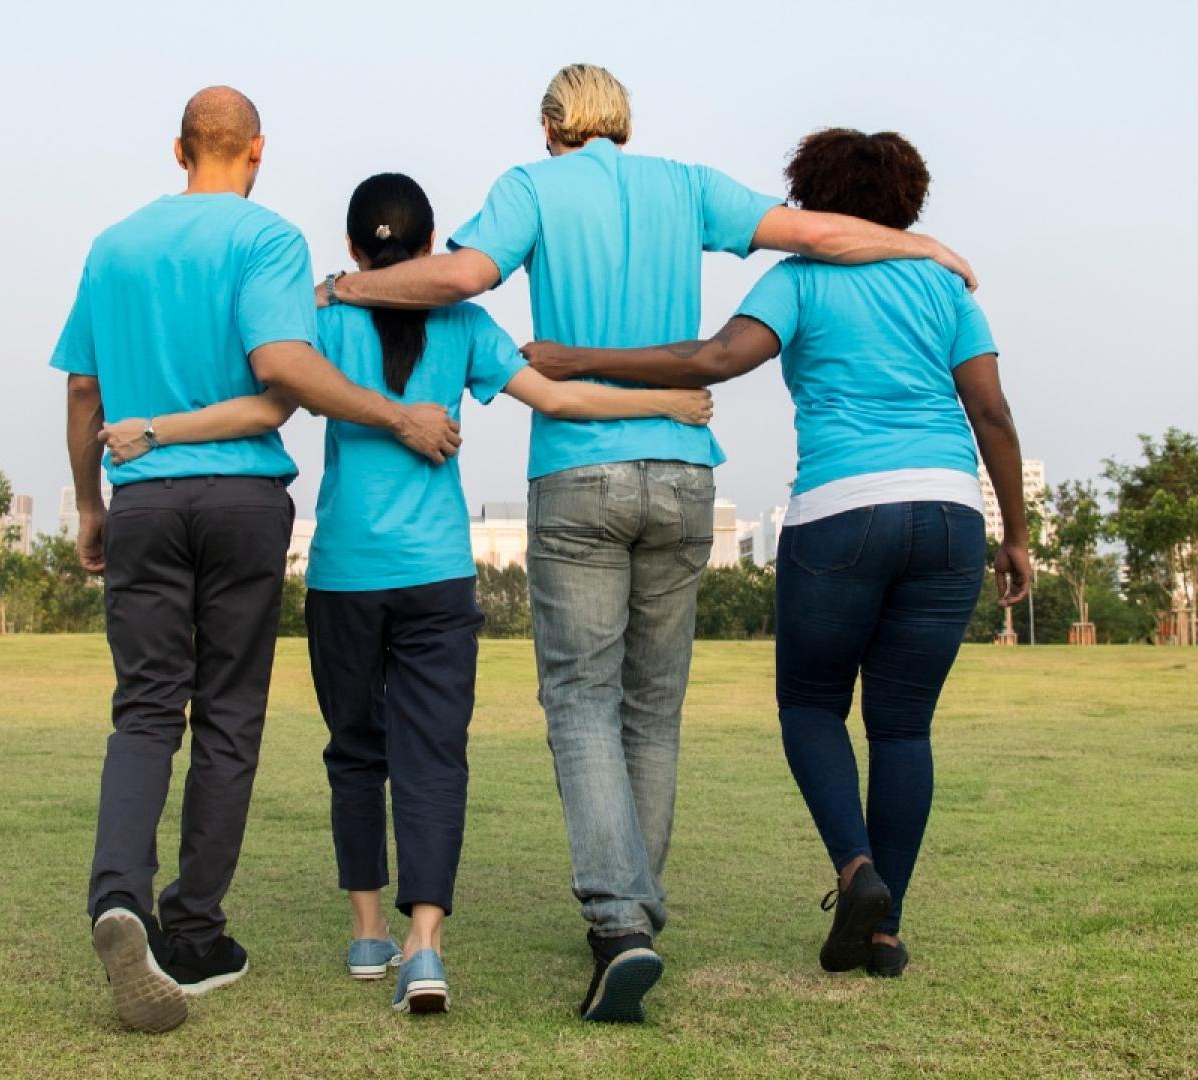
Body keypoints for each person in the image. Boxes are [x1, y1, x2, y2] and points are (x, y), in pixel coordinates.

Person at [319, 63, 979, 1022]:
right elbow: (816, 231)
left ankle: (620, 924)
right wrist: (925, 246)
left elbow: (463, 277)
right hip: (682, 472)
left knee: (582, 700)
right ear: (622, 121)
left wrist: (343, 284)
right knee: (653, 708)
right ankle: (637, 913)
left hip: (578, 473)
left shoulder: (532, 187)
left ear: (552, 123)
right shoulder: (691, 185)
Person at [99, 172, 713, 1015]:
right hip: (436, 576)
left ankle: (366, 934)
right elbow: (561, 399)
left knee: (355, 753)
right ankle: (425, 948)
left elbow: (261, 399)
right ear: (429, 251)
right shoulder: (464, 322)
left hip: (344, 575)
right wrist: (669, 404)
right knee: (434, 757)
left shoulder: (317, 319)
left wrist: (158, 427)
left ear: (355, 249)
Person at [522, 127, 1032, 981]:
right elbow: (993, 414)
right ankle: (881, 932)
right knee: (903, 726)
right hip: (949, 514)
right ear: (909, 202)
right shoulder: (946, 286)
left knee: (810, 706)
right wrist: (1014, 533)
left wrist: (581, 359)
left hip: (842, 511)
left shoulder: (800, 279)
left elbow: (715, 360)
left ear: (814, 197)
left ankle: (856, 870)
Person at [52, 87, 460, 1034]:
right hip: (242, 501)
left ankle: (121, 898)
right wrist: (398, 413)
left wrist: (87, 500)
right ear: (258, 151)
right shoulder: (268, 241)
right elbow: (282, 369)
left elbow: (83, 390)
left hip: (144, 496)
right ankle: (194, 932)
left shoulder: (112, 246)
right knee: (229, 716)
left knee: (145, 709)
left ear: (179, 148)